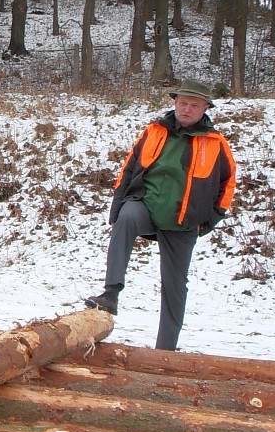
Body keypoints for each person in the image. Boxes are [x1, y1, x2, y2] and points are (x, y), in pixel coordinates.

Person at [85, 78, 236, 352]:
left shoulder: (215, 143)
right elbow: (128, 169)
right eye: (182, 103)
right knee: (126, 218)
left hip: (183, 220)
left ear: (205, 108)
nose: (186, 109)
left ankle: (165, 350)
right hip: (146, 205)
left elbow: (228, 184)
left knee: (175, 285)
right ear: (175, 102)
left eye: (194, 105)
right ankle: (111, 294)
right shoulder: (154, 131)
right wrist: (116, 209)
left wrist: (210, 220)